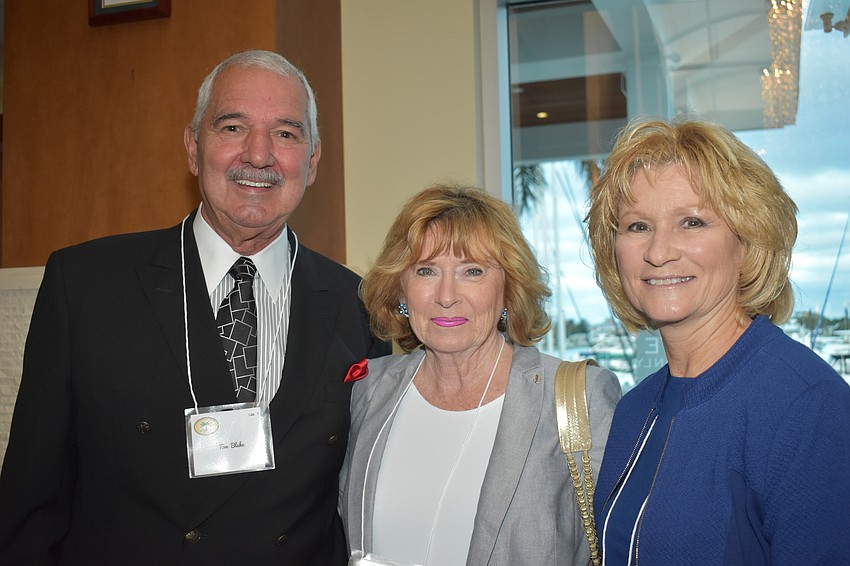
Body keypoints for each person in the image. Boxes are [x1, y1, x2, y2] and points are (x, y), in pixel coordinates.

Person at [0, 50, 389, 565]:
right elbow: (31, 502)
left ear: (312, 162)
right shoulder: (86, 285)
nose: (258, 155)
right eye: (232, 127)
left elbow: (366, 497)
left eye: (285, 133)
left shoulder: (358, 305)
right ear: (192, 147)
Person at [586, 117, 850, 564]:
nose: (658, 252)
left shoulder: (808, 408)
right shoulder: (634, 409)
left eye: (692, 222)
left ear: (747, 242)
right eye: (637, 226)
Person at [339, 184, 621, 566]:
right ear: (400, 290)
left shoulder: (578, 398)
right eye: (426, 270)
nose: (447, 295)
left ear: (508, 288)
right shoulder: (369, 389)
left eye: (472, 271)